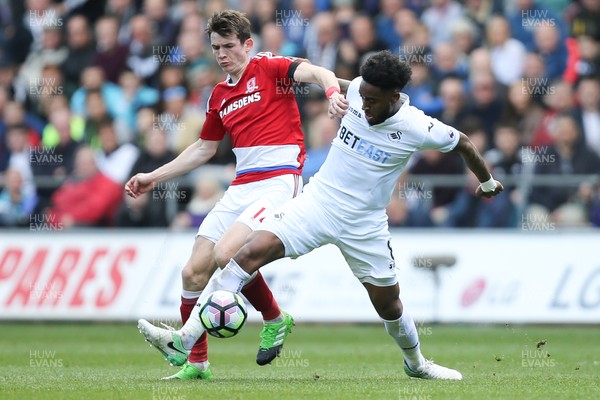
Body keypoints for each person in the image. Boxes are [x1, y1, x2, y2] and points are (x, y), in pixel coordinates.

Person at [137, 51, 504, 380]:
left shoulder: (417, 125)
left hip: (365, 223)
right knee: (244, 254)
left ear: (395, 98)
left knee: (389, 304)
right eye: (363, 97)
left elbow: (465, 144)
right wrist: (314, 82)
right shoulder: (360, 89)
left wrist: (486, 182)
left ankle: (417, 363)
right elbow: (326, 78)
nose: (365, 106)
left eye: (374, 102)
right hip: (318, 203)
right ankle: (184, 341)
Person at [126, 10, 348, 380]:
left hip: (279, 181)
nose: (222, 54)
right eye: (216, 47)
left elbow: (318, 72)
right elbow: (203, 148)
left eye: (229, 46)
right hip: (241, 185)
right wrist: (153, 176)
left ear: (248, 44)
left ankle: (275, 319)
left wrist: (331, 92)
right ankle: (197, 364)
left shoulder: (271, 68)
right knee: (193, 272)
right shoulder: (219, 95)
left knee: (226, 253)